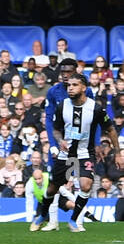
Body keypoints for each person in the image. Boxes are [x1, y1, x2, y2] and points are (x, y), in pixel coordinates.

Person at [32, 73, 117, 232]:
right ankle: (42, 215)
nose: (70, 88)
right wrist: (60, 140)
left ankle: (73, 220)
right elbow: (56, 129)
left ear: (84, 87)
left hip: (85, 153)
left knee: (86, 185)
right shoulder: (62, 105)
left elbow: (110, 129)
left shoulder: (95, 108)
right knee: (52, 188)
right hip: (65, 154)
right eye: (69, 85)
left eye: (74, 85)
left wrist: (118, 153)